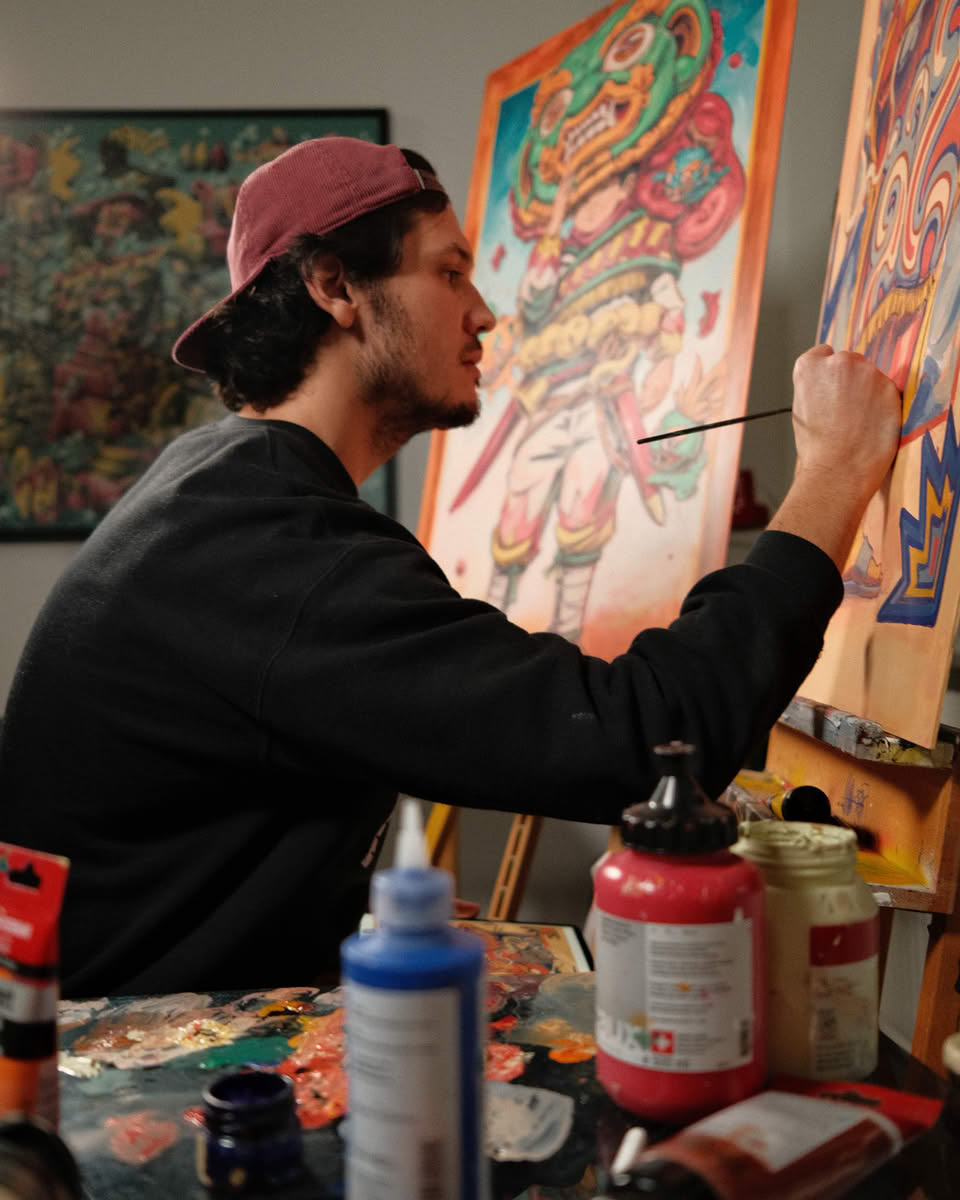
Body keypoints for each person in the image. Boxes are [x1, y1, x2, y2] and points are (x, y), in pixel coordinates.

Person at [0, 138, 901, 999]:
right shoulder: (271, 545)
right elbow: (645, 744)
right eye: (448, 272)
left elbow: (193, 829)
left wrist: (342, 902)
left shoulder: (222, 490)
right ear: (335, 287)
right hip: (102, 1068)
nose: (484, 312)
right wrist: (832, 476)